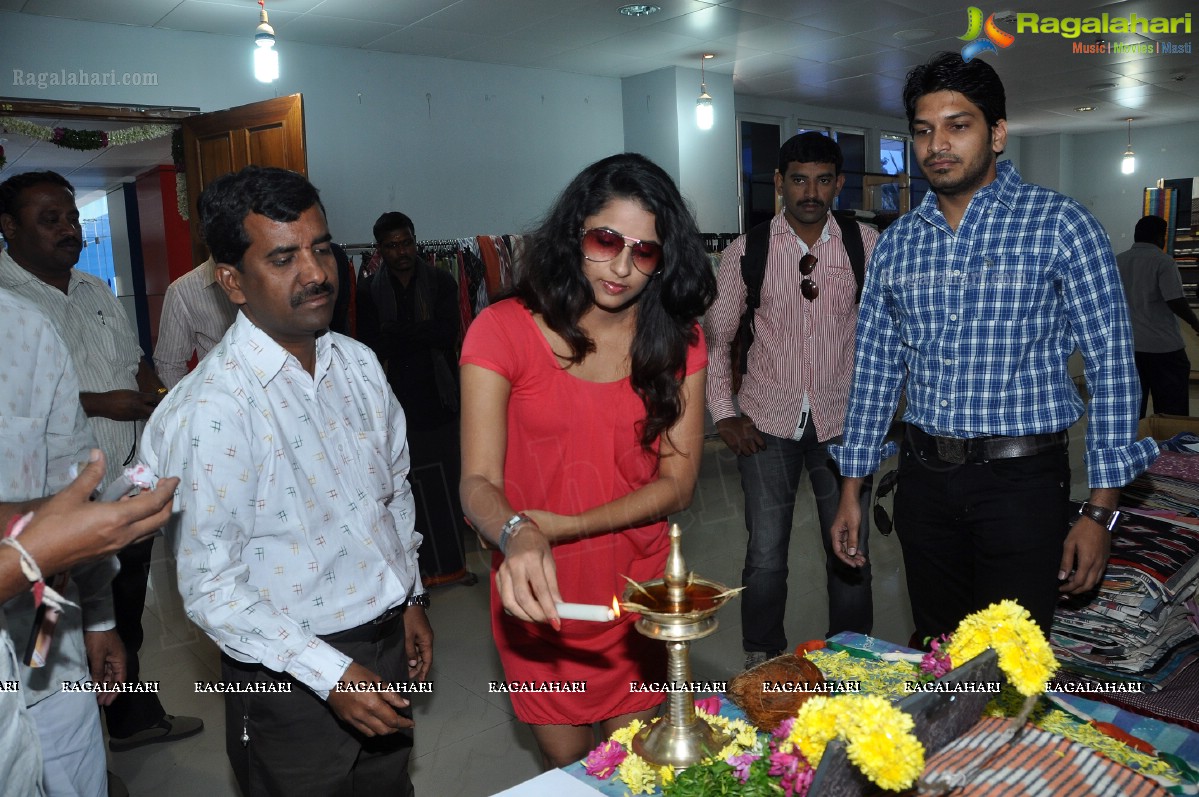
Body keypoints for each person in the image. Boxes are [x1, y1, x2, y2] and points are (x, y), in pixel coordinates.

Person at [828, 52, 1157, 645]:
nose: (938, 145)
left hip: (1022, 484)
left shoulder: (1061, 226)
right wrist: (853, 485)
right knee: (939, 651)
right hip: (924, 482)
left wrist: (1101, 510)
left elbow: (1113, 369)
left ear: (997, 133)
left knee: (1010, 664)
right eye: (924, 130)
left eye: (959, 125)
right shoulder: (897, 244)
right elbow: (875, 370)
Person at [141, 165, 432, 797]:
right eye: (283, 258)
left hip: (382, 638)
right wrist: (331, 675)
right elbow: (211, 589)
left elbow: (393, 491)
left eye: (321, 248)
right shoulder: (211, 409)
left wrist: (408, 598)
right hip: (288, 670)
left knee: (387, 787)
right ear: (232, 282)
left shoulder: (357, 364)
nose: (317, 274)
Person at [459, 152, 715, 769]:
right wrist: (518, 532)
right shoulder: (501, 329)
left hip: (640, 598)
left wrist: (563, 527)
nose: (622, 267)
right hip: (541, 600)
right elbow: (477, 482)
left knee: (637, 773)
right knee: (573, 774)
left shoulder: (680, 340)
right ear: (575, 231)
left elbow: (677, 484)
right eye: (606, 240)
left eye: (644, 251)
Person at [0, 170, 203, 755]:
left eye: (71, 218)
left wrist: (155, 397)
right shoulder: (10, 304)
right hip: (47, 507)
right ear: (9, 228)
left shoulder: (92, 290)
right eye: (51, 220)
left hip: (123, 482)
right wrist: (103, 403)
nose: (69, 230)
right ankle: (78, 730)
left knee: (120, 607)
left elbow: (135, 359)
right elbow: (33, 405)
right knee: (50, 624)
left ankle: (125, 718)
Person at [705, 132, 878, 668]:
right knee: (764, 556)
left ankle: (850, 661)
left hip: (842, 424)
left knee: (848, 551)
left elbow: (883, 336)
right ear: (779, 183)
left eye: (823, 180)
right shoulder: (747, 250)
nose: (811, 191)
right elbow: (717, 339)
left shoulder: (865, 245)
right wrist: (725, 413)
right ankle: (763, 658)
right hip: (767, 422)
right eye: (799, 179)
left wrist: (874, 414)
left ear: (839, 184)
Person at [358, 212, 472, 586]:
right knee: (405, 488)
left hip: (439, 399)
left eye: (406, 242)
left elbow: (445, 333)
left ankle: (453, 567)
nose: (401, 251)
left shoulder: (440, 281)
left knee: (447, 481)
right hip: (394, 403)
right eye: (392, 246)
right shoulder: (369, 291)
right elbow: (374, 344)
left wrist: (400, 333)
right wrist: (415, 333)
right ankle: (415, 571)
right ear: (380, 250)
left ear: (415, 241)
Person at [1116, 214, 1199, 418]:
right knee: (1172, 409)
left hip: (1130, 348)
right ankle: (1169, 448)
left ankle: (1136, 446)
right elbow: (1175, 300)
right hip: (1163, 348)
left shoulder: (1117, 261)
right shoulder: (1163, 262)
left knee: (1133, 408)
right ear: (1160, 237)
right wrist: (1195, 323)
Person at [153, 255, 237, 389]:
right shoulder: (182, 290)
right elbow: (170, 366)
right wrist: (190, 407)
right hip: (220, 399)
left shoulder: (268, 273)